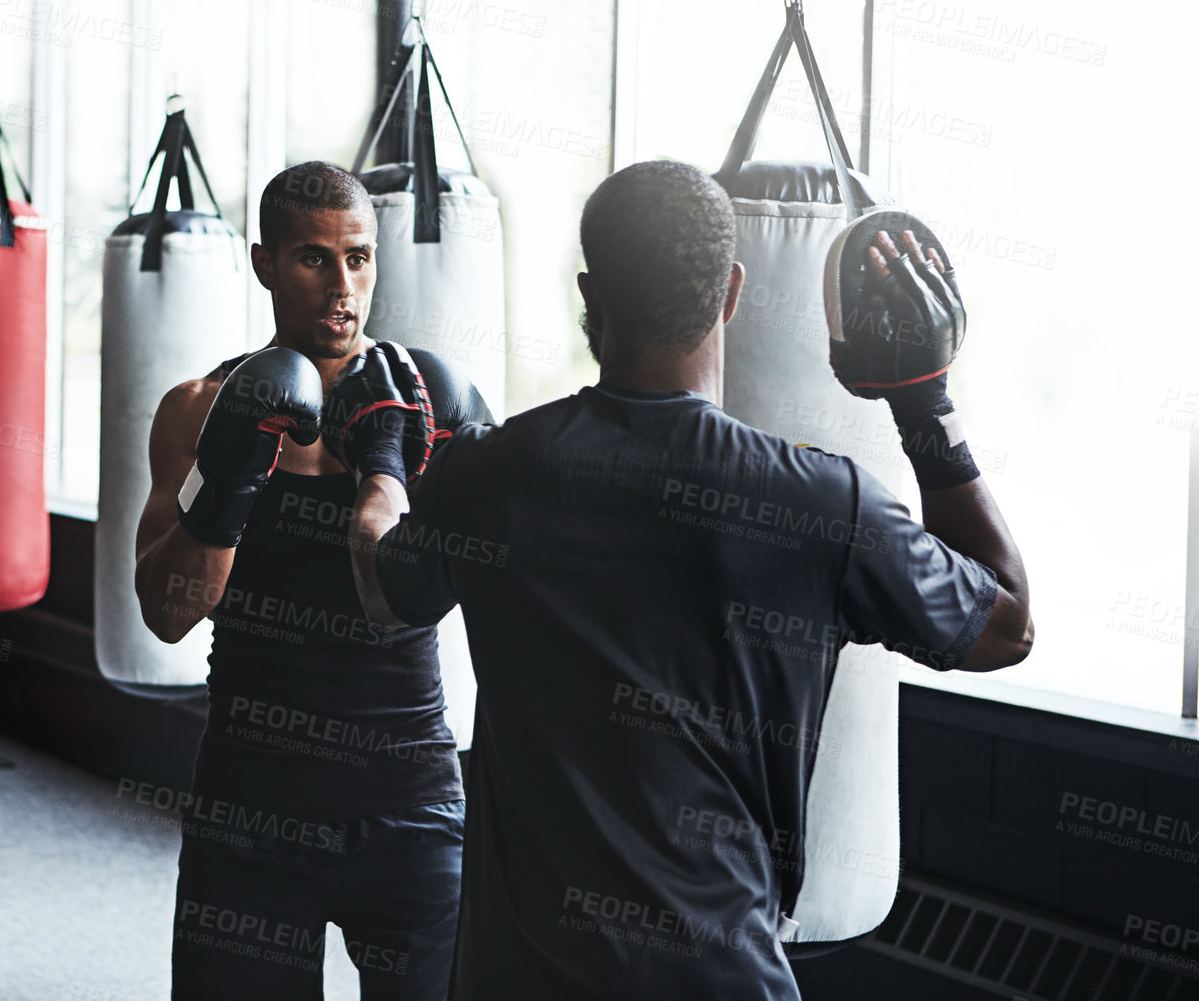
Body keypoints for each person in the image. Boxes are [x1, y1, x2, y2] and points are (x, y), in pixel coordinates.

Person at [340, 159, 1033, 999]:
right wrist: (925, 407)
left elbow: (384, 594)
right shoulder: (822, 503)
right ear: (734, 292)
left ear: (590, 297)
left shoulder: (494, 474)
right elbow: (1005, 628)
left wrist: (381, 463)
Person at [133, 161, 491, 1000]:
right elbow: (167, 614)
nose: (343, 286)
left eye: (359, 259)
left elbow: (513, 576)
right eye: (313, 259)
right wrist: (234, 475)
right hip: (251, 799)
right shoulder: (200, 408)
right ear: (264, 263)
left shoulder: (429, 401)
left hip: (409, 796)